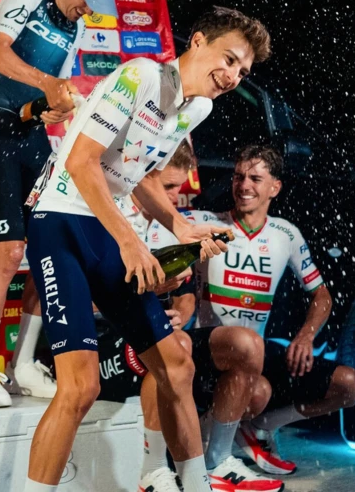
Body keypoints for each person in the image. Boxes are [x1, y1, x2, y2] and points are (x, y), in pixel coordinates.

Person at [22, 6, 272, 492]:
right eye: (230, 59)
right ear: (197, 41)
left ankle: (195, 486)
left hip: (103, 225)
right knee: (80, 387)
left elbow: (137, 173)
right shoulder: (139, 77)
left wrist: (179, 226)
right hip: (60, 221)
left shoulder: (198, 107)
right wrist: (131, 240)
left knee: (177, 365)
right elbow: (81, 161)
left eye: (243, 71)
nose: (233, 75)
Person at [0, 0, 124, 408]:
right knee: (10, 251)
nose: (87, 9)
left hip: (30, 133)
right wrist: (47, 85)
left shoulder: (76, 26)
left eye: (98, 4)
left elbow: (53, 92)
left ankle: (21, 363)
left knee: (48, 247)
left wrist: (56, 104)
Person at [114, 142, 281, 492]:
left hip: (167, 331)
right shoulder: (115, 215)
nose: (176, 197)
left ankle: (218, 460)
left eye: (179, 187)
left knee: (246, 345)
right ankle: (154, 470)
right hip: (113, 333)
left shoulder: (175, 223)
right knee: (173, 344)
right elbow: (88, 294)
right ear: (143, 179)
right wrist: (150, 292)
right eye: (169, 187)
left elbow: (186, 293)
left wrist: (180, 309)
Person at [191, 144, 355, 477]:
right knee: (258, 392)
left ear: (275, 187)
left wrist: (306, 335)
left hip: (258, 352)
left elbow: (322, 295)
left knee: (349, 384)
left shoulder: (287, 234)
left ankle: (261, 426)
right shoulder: (206, 224)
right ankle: (212, 448)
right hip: (214, 355)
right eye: (239, 177)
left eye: (255, 178)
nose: (244, 186)